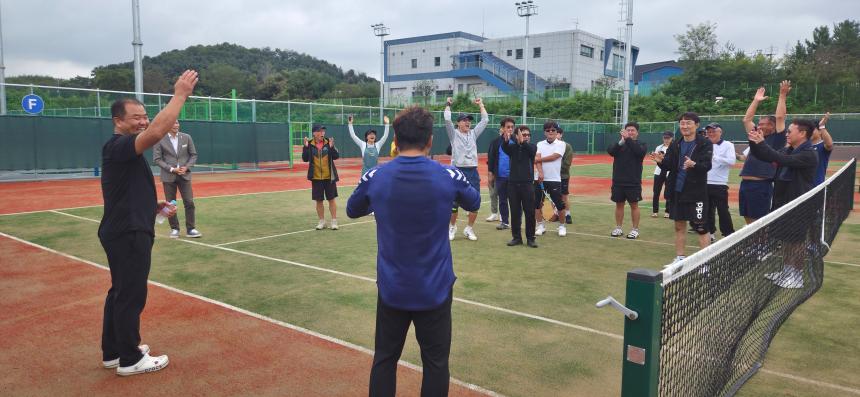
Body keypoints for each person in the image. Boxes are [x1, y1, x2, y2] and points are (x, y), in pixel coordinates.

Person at [346, 106, 481, 396]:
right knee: (435, 363)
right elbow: (474, 201)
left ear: (395, 138)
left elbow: (352, 209)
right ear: (430, 140)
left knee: (384, 359)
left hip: (393, 288)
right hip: (435, 289)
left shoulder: (375, 176)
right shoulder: (448, 175)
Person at [98, 70, 198, 376]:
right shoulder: (119, 146)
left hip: (124, 228)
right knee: (131, 294)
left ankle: (114, 351)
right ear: (118, 121)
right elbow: (156, 132)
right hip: (128, 232)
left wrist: (151, 206)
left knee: (120, 292)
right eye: (135, 117)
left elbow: (125, 190)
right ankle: (130, 359)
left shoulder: (122, 150)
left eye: (144, 116)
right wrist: (180, 94)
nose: (142, 121)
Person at [748, 119, 818, 288]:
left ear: (802, 134)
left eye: (790, 131)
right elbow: (766, 155)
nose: (786, 134)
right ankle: (787, 271)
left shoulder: (808, 153)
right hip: (784, 202)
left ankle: (797, 276)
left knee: (797, 241)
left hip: (798, 203)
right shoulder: (790, 149)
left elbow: (779, 158)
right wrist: (755, 142)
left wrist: (762, 143)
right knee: (787, 239)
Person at [654, 112, 713, 264]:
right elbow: (668, 165)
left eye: (688, 123)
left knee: (701, 228)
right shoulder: (676, 143)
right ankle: (680, 258)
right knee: (679, 226)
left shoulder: (704, 143)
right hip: (677, 191)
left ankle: (704, 262)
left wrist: (694, 165)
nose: (685, 126)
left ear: (696, 125)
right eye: (682, 123)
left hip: (696, 193)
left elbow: (707, 165)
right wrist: (660, 161)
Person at [736, 81, 790, 224]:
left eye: (762, 124)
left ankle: (762, 245)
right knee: (747, 218)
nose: (758, 126)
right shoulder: (756, 135)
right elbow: (746, 119)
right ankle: (755, 246)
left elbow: (780, 117)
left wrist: (782, 95)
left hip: (761, 185)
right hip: (745, 183)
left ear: (772, 126)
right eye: (758, 124)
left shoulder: (777, 138)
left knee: (760, 221)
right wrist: (755, 101)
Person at [444, 97, 489, 241]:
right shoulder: (453, 134)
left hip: (472, 172)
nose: (467, 122)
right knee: (453, 202)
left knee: (475, 202)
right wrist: (448, 105)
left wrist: (481, 104)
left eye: (469, 120)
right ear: (458, 123)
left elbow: (485, 120)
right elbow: (446, 119)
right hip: (457, 171)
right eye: (464, 120)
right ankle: (452, 227)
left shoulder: (473, 134)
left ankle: (469, 228)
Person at [152, 120, 202, 239]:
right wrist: (171, 169)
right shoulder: (159, 139)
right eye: (173, 123)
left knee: (189, 202)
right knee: (170, 203)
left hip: (184, 175)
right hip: (168, 176)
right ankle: (174, 229)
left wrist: (187, 167)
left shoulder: (186, 137)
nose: (176, 125)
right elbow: (157, 159)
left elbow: (193, 155)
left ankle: (191, 229)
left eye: (177, 123)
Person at [608, 122, 647, 239]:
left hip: (633, 182)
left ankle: (635, 229)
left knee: (634, 205)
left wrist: (627, 139)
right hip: (618, 181)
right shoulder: (620, 145)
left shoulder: (641, 144)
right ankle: (618, 228)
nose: (630, 132)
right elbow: (611, 151)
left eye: (632, 130)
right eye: (628, 130)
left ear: (637, 132)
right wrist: (621, 142)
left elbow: (639, 152)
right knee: (619, 205)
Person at [501, 125, 539, 248]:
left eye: (528, 135)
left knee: (529, 213)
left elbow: (532, 152)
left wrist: (524, 142)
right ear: (517, 136)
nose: (526, 136)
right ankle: (516, 237)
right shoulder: (512, 147)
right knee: (515, 212)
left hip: (527, 184)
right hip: (513, 185)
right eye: (523, 134)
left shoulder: (532, 147)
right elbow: (505, 148)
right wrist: (506, 140)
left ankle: (530, 238)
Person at [534, 120, 569, 237]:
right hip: (539, 178)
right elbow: (537, 158)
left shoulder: (561, 144)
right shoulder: (539, 144)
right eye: (548, 130)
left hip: (555, 179)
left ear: (556, 132)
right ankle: (540, 225)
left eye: (553, 130)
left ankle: (562, 226)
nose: (550, 132)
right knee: (537, 204)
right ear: (545, 132)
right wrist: (540, 172)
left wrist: (539, 160)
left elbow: (555, 157)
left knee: (559, 204)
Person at [302, 124, 340, 230]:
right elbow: (305, 159)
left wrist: (332, 147)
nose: (322, 133)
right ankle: (322, 221)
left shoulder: (329, 143)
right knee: (319, 200)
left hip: (329, 177)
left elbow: (336, 156)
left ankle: (334, 221)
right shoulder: (309, 144)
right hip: (316, 178)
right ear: (314, 133)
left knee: (331, 199)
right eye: (319, 131)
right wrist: (305, 147)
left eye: (323, 131)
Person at [705, 123, 736, 242]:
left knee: (723, 210)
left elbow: (732, 161)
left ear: (720, 132)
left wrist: (715, 157)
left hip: (720, 183)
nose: (711, 134)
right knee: (707, 210)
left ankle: (728, 234)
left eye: (714, 131)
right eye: (709, 132)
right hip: (704, 182)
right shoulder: (704, 144)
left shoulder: (728, 145)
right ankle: (710, 232)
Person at [486, 117, 516, 230]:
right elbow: (491, 158)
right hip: (500, 176)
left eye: (512, 127)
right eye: (508, 127)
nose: (510, 129)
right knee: (502, 200)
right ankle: (505, 222)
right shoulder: (495, 142)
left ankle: (516, 222)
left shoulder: (517, 140)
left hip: (514, 177)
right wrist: (490, 174)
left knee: (515, 200)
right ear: (502, 128)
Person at [651, 131, 673, 218]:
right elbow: (656, 160)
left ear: (672, 138)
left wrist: (663, 159)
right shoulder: (659, 147)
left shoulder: (674, 148)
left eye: (668, 138)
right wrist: (656, 158)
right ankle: (655, 211)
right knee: (656, 192)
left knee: (668, 192)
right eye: (665, 138)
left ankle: (667, 211)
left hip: (669, 173)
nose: (666, 140)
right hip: (658, 172)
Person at [812, 112, 834, 186]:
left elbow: (829, 144)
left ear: (819, 132)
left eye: (812, 129)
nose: (809, 132)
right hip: (803, 187)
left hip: (817, 187)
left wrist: (822, 126)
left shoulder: (822, 146)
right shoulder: (805, 146)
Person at [558, 127, 574, 224]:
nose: (556, 135)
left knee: (564, 196)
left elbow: (567, 164)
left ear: (561, 134)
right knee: (553, 196)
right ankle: (557, 213)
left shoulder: (567, 146)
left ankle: (567, 214)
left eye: (558, 133)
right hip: (551, 177)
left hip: (563, 176)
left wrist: (554, 169)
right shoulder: (548, 146)